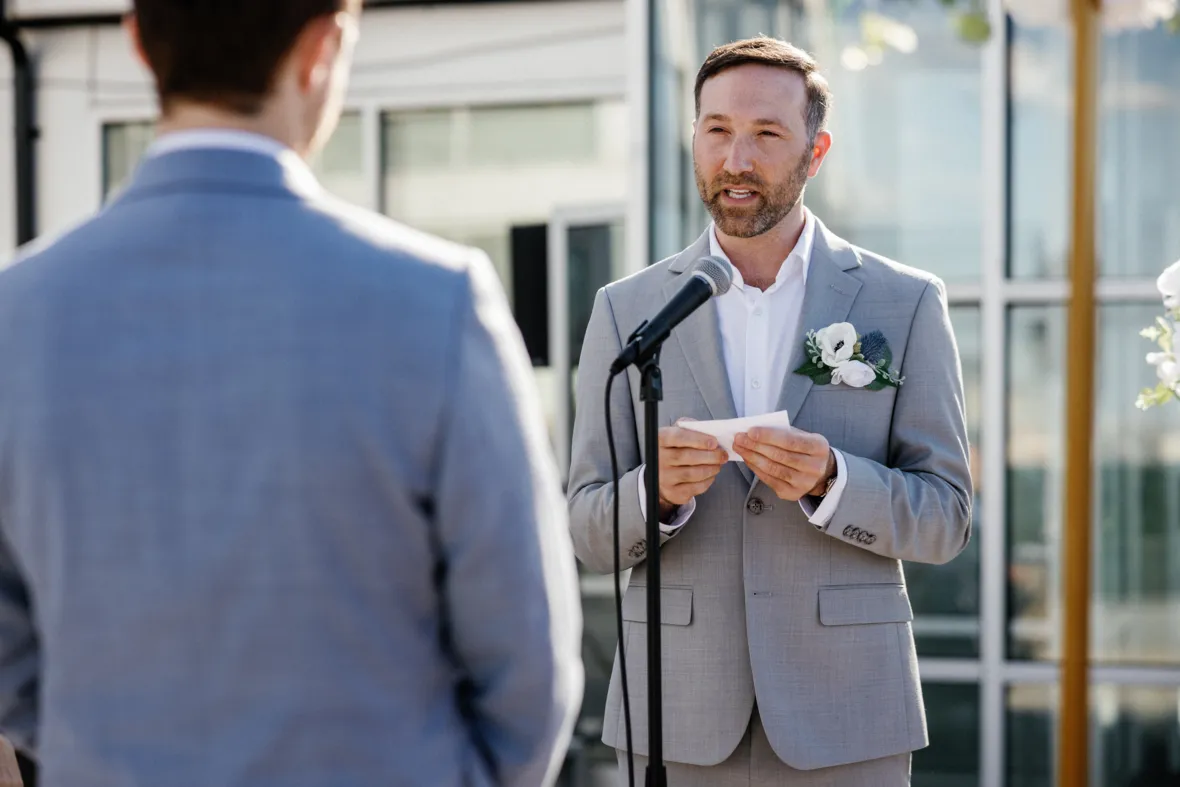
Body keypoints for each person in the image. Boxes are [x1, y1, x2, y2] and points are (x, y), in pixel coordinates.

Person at [0, 2, 582, 785]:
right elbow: (528, 671)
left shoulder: (18, 312)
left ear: (137, 39)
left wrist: (107, 737)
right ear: (323, 48)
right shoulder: (438, 301)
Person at [568, 37, 972, 786]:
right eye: (716, 129)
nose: (736, 158)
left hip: (848, 714)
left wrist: (833, 481)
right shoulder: (627, 309)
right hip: (674, 715)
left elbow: (946, 515)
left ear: (815, 151)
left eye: (766, 134)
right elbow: (588, 525)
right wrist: (652, 493)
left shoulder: (904, 302)